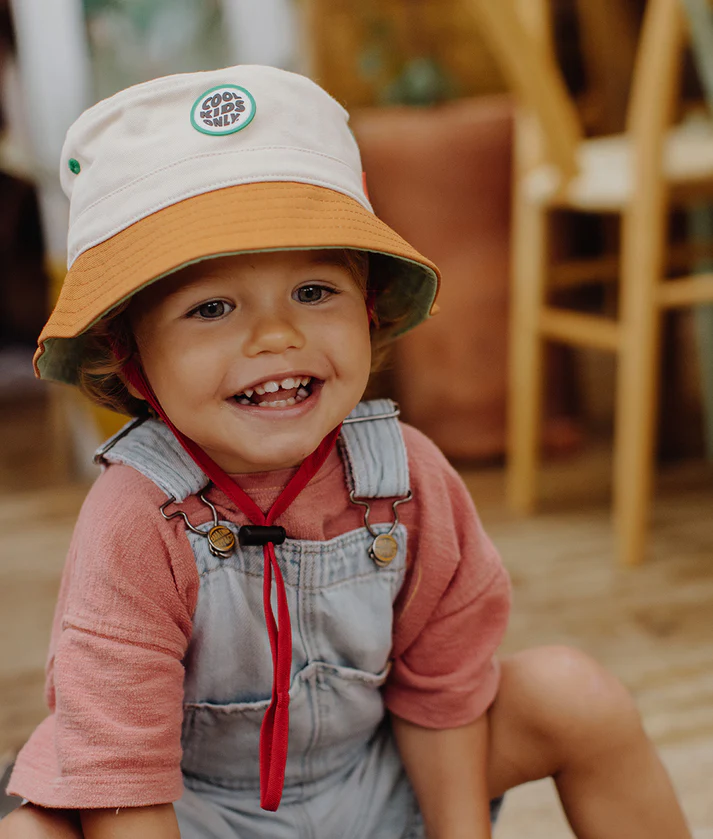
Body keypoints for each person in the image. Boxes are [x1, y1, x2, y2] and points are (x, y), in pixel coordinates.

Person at [0, 65, 691, 839]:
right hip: (185, 810)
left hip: (368, 777)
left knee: (575, 692)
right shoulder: (136, 518)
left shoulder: (402, 479)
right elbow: (121, 767)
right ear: (130, 360)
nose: (275, 335)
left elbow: (445, 686)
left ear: (367, 310)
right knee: (28, 830)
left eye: (313, 291)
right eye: (213, 307)